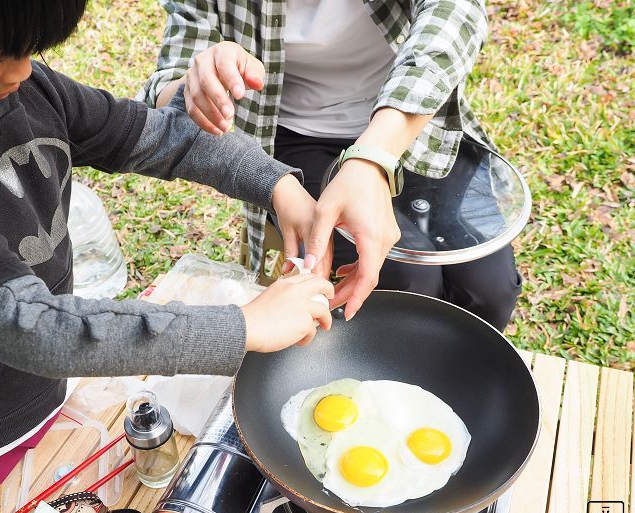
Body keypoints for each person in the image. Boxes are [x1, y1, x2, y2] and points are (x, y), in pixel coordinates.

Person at [0, 0, 334, 513]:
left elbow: (162, 137)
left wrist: (277, 185)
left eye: (30, 49)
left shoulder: (26, 87)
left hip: (42, 380)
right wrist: (243, 325)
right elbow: (33, 328)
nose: (21, 71)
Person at [142, 0, 523, 329]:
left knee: (490, 291)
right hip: (295, 135)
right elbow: (162, 90)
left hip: (406, 119)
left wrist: (373, 155)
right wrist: (198, 82)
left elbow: (457, 12)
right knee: (406, 282)